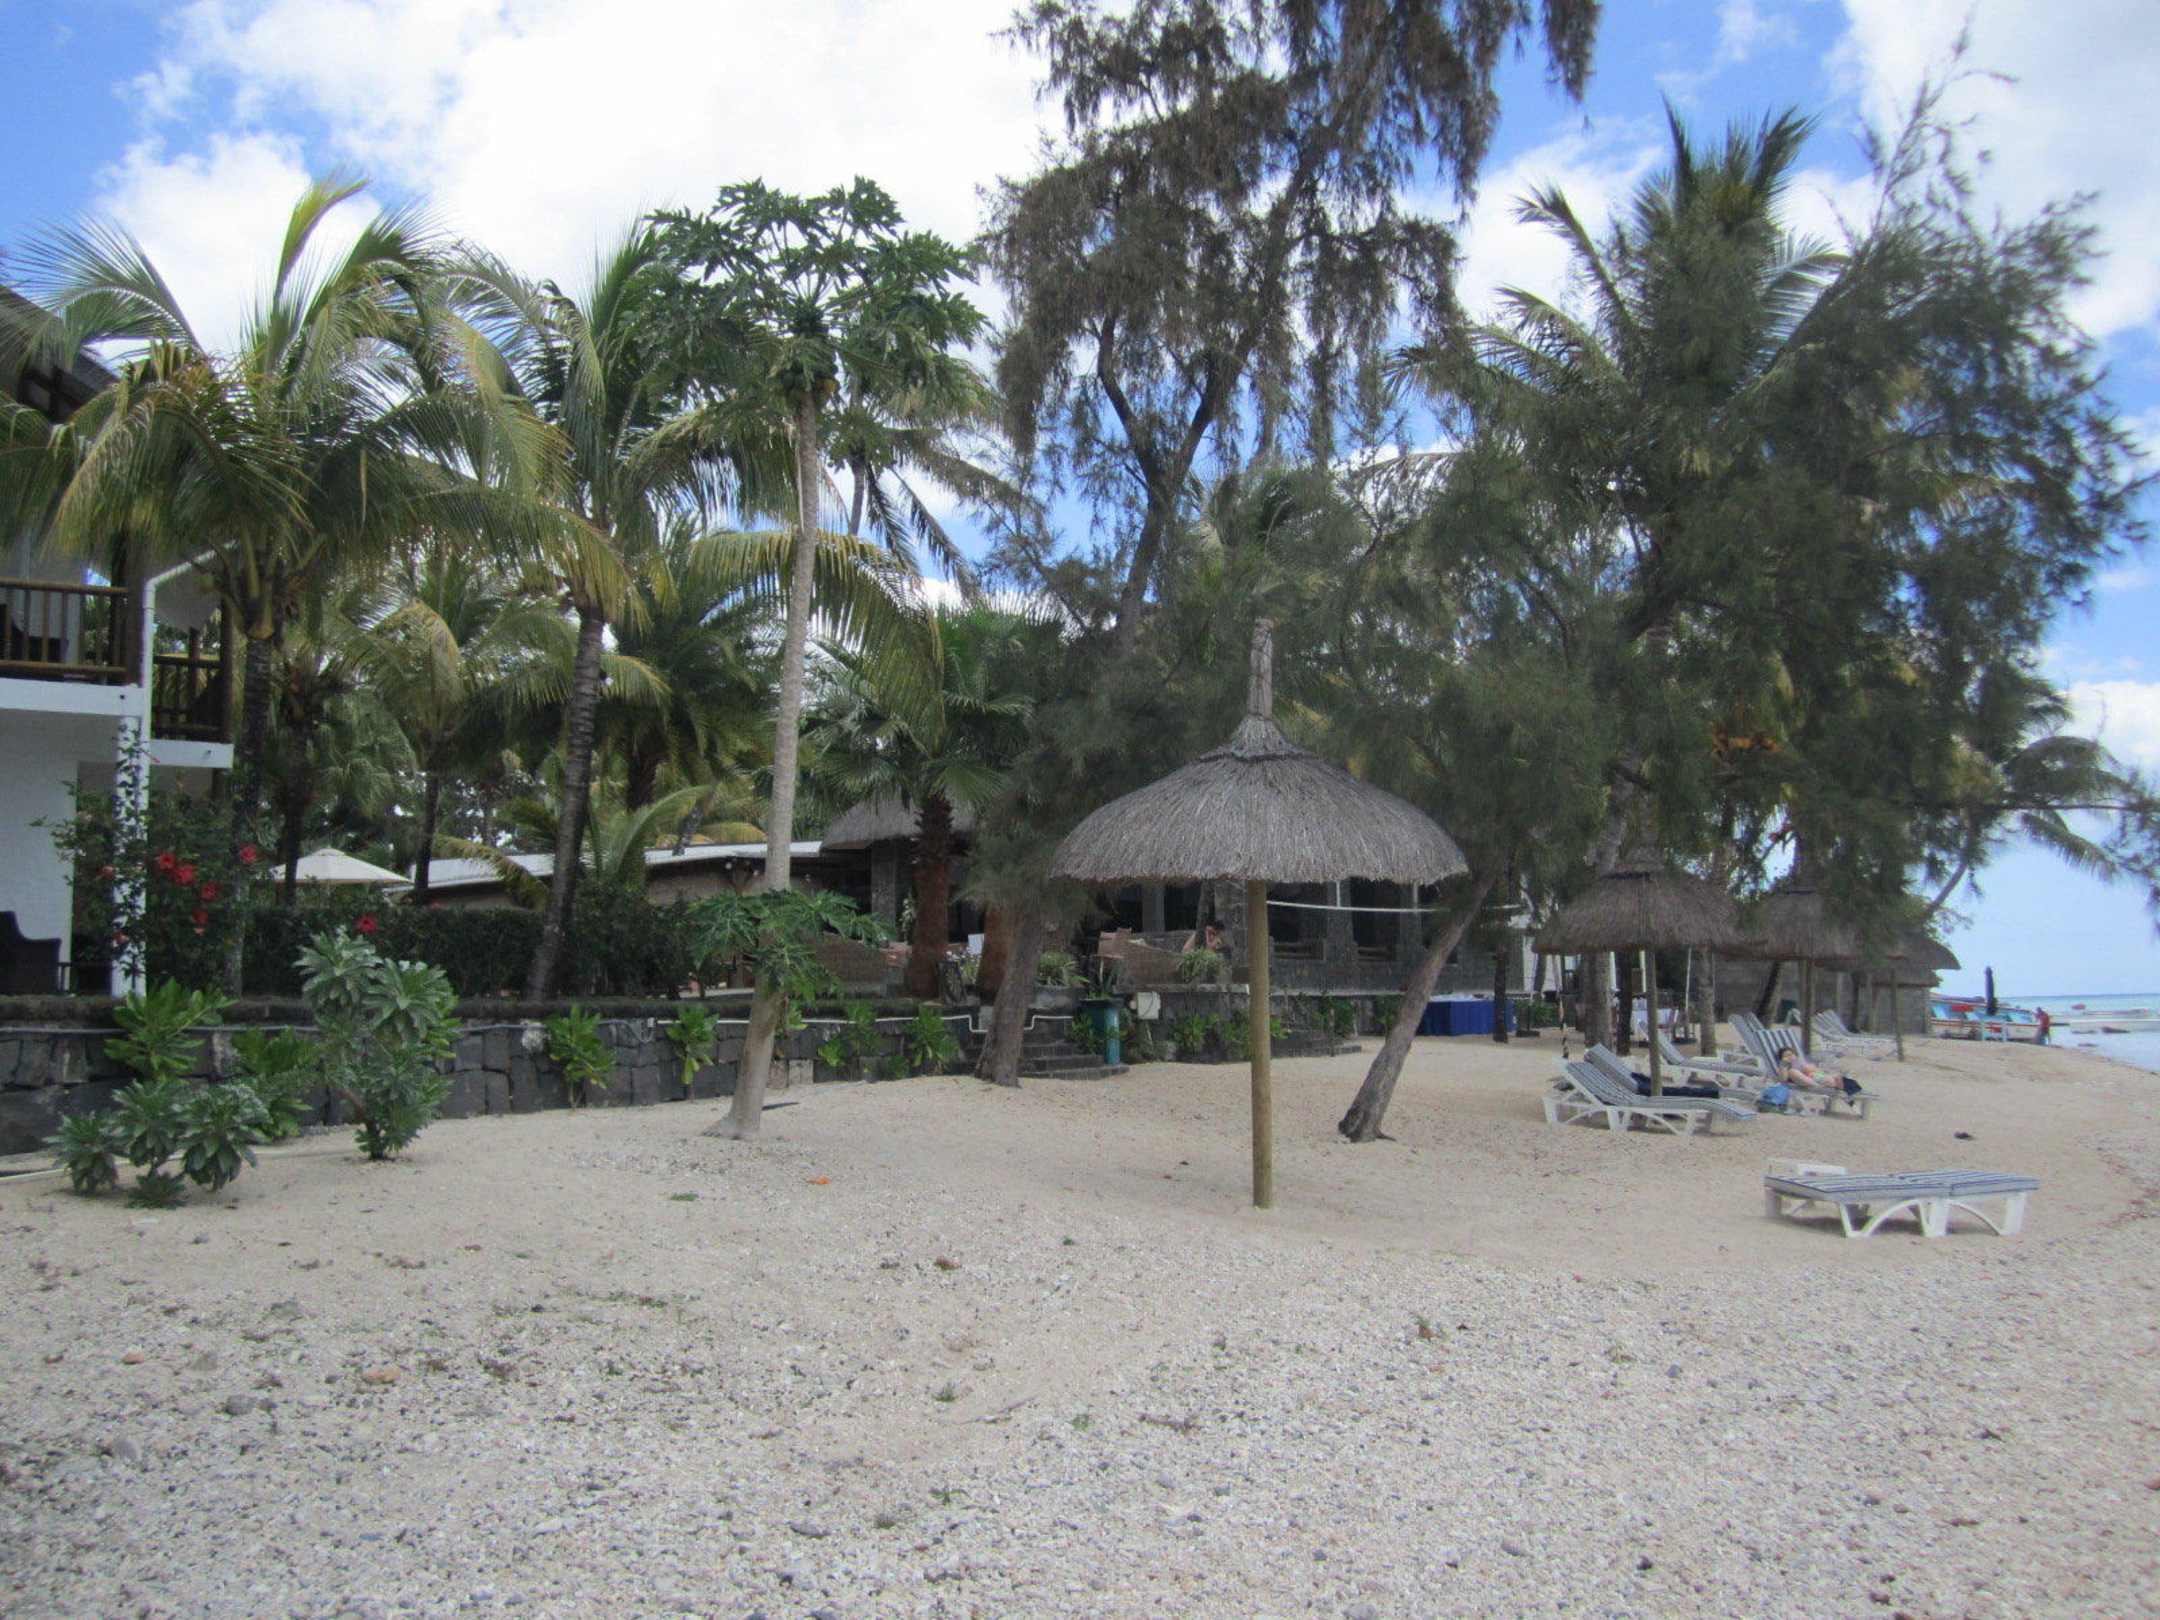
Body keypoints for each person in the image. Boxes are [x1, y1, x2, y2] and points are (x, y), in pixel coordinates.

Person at [1777, 1046, 1862, 1097]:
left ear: (1795, 1055)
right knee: (1792, 1071)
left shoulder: (1800, 1062)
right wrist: (1783, 1065)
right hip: (1811, 1082)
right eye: (1786, 1056)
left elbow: (1815, 1070)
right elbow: (1783, 1080)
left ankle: (1842, 1083)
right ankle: (1826, 1084)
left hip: (1817, 1077)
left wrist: (1808, 1068)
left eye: (1791, 1054)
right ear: (1782, 1059)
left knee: (1833, 1077)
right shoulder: (1784, 1067)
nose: (1790, 1057)